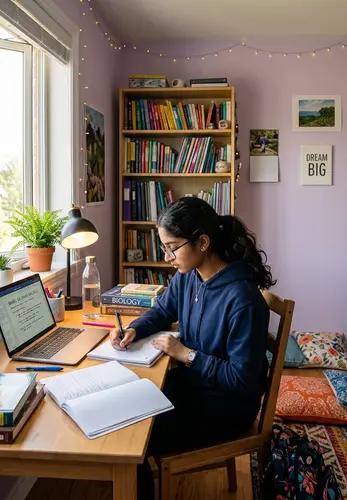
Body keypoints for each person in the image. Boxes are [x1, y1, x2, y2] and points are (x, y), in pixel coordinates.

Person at [109, 197, 275, 499]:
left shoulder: (243, 299)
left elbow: (242, 380)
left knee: (133, 438)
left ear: (202, 242)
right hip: (194, 386)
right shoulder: (189, 276)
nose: (167, 256)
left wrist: (185, 354)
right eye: (164, 247)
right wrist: (134, 329)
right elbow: (162, 311)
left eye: (172, 247)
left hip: (227, 406)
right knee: (124, 405)